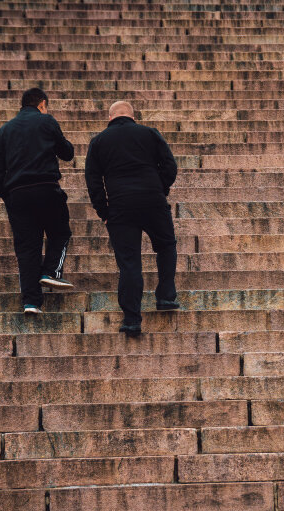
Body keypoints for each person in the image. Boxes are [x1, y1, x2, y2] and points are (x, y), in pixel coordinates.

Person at [84, 100, 179, 337]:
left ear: (110, 118)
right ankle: (166, 296)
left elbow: (93, 181)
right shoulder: (149, 134)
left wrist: (103, 211)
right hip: (152, 200)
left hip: (120, 206)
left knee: (129, 262)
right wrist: (160, 189)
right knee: (166, 246)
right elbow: (170, 165)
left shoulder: (98, 142)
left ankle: (132, 320)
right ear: (133, 116)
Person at [0, 87, 75, 314]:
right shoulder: (46, 121)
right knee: (60, 232)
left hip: (17, 194)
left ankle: (31, 302)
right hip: (46, 189)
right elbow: (67, 153)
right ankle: (51, 272)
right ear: (42, 104)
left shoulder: (4, 130)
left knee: (27, 248)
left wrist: (9, 196)